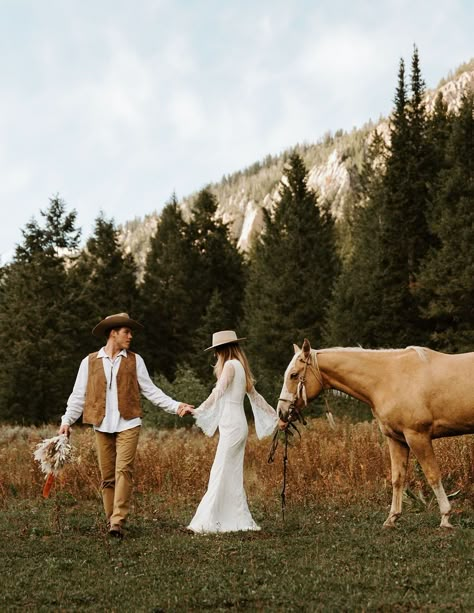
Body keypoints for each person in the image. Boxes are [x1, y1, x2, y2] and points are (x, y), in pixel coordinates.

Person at [58, 313, 193, 538]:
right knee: (107, 477)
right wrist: (66, 421)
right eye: (126, 332)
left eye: (131, 333)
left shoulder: (135, 360)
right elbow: (78, 395)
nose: (130, 336)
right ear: (113, 333)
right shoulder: (90, 361)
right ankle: (112, 519)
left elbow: (151, 391)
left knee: (123, 471)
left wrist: (176, 406)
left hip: (129, 423)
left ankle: (117, 522)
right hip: (101, 425)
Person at [182, 330, 278, 533]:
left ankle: (210, 520)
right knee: (230, 473)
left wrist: (198, 410)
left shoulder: (229, 366)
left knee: (220, 471)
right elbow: (256, 397)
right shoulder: (241, 367)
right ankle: (232, 518)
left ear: (220, 350)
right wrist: (276, 417)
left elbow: (218, 392)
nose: (216, 356)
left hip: (232, 426)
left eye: (216, 351)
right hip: (237, 425)